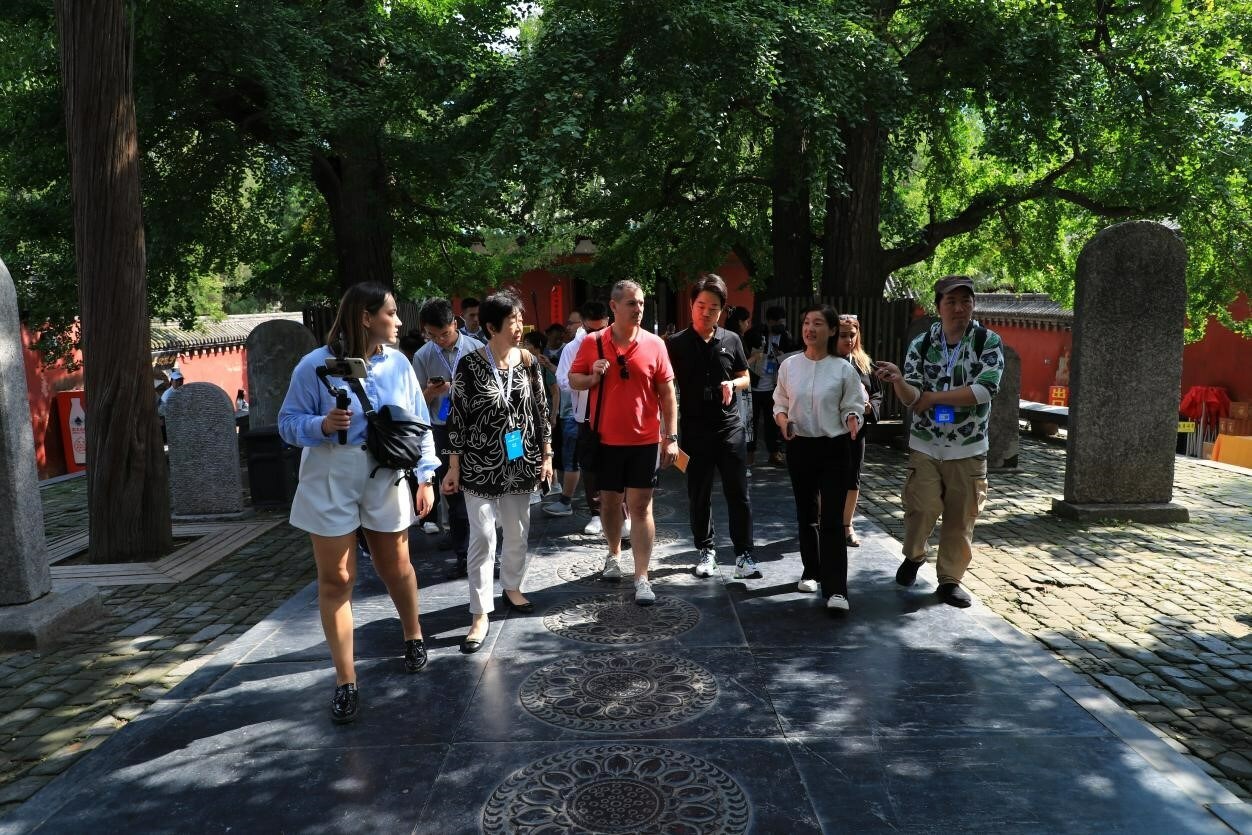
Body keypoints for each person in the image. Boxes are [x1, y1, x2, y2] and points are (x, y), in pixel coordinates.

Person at [278, 282, 439, 724]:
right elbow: (287, 423)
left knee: (396, 565)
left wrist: (425, 475)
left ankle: (413, 635)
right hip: (330, 473)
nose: (400, 321)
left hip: (384, 473)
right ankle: (345, 680)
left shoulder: (399, 364)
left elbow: (419, 423)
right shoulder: (314, 366)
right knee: (337, 578)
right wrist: (321, 424)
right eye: (391, 313)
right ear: (366, 317)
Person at [874, 275, 1004, 608]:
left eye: (966, 301)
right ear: (938, 307)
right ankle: (915, 555)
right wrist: (900, 382)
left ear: (973, 305)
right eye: (951, 302)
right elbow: (912, 397)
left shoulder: (987, 342)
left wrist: (933, 398)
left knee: (961, 518)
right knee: (922, 507)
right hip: (926, 444)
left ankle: (949, 580)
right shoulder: (922, 344)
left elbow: (985, 389)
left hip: (969, 447)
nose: (960, 308)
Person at [443, 291, 553, 652]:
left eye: (521, 320)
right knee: (484, 537)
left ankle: (512, 587)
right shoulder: (470, 365)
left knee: (519, 531)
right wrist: (453, 465)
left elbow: (540, 409)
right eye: (512, 322)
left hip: (520, 462)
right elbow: (457, 417)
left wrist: (547, 454)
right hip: (479, 465)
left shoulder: (528, 362)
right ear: (492, 327)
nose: (520, 327)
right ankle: (479, 611)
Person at [569, 280, 678, 606]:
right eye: (631, 303)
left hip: (644, 440)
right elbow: (574, 379)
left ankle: (642, 576)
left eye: (641, 303)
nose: (638, 309)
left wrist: (670, 437)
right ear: (614, 307)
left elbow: (667, 394)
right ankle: (614, 554)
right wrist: (593, 376)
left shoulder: (656, 344)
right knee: (610, 502)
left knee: (642, 506)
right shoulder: (593, 342)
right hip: (605, 439)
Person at [773, 305, 866, 613]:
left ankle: (837, 588)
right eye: (805, 322)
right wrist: (783, 419)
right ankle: (811, 571)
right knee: (806, 514)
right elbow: (780, 401)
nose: (809, 328)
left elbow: (852, 405)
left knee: (832, 519)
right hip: (800, 446)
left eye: (817, 323)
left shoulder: (843, 369)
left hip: (834, 446)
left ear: (829, 331)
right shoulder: (790, 366)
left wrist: (852, 417)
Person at [666, 275, 758, 580]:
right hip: (694, 429)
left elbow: (745, 376)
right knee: (699, 493)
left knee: (738, 493)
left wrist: (733, 383)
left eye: (714, 308)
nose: (706, 312)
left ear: (722, 310)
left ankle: (744, 553)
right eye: (701, 305)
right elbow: (664, 385)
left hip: (729, 427)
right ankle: (706, 549)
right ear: (692, 305)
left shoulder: (731, 339)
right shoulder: (676, 344)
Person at [413, 298, 482, 566]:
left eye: (445, 334)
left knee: (478, 491)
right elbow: (416, 401)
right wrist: (432, 391)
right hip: (441, 429)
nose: (440, 340)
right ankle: (463, 553)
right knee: (452, 492)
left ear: (456, 324)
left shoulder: (477, 349)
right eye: (433, 335)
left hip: (474, 428)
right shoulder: (423, 355)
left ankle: (480, 549)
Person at [549, 302, 610, 525]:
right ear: (583, 324)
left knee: (616, 464)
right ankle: (595, 513)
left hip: (614, 412)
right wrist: (587, 377)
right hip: (585, 413)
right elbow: (563, 380)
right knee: (590, 464)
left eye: (601, 330)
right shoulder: (574, 347)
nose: (596, 334)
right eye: (592, 330)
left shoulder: (616, 339)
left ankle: (623, 514)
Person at [835, 314, 882, 547]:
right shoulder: (825, 360)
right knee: (830, 475)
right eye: (843, 335)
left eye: (852, 335)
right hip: (831, 429)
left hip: (857, 430)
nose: (848, 340)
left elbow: (877, 394)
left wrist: (870, 408)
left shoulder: (864, 363)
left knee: (852, 476)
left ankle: (847, 524)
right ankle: (826, 521)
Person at [748, 306, 798, 467]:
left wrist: (782, 355)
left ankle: (774, 452)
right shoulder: (755, 334)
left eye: (782, 323)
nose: (780, 326)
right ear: (769, 321)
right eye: (777, 323)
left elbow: (792, 355)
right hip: (754, 385)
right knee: (752, 421)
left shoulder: (786, 336)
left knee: (773, 421)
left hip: (774, 385)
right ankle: (750, 453)